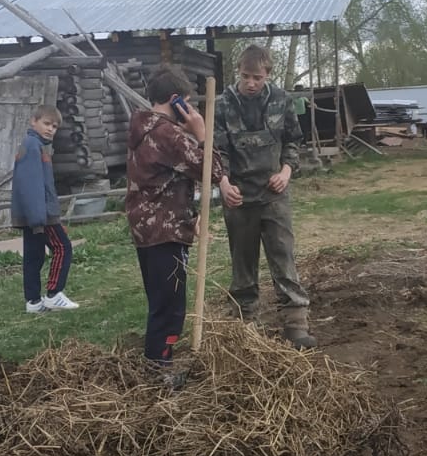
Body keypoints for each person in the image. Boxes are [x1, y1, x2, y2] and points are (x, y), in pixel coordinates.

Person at [125, 67, 224, 382]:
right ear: (176, 100)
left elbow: (163, 184)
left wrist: (190, 217)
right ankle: (159, 373)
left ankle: (156, 365)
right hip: (164, 232)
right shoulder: (168, 134)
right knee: (170, 307)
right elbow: (213, 169)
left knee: (160, 302)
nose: (192, 110)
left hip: (148, 227)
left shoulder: (142, 127)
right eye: (189, 103)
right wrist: (201, 132)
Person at [214, 43, 315, 350]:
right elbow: (218, 151)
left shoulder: (282, 101)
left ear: (267, 74)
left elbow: (293, 142)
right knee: (242, 262)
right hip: (239, 197)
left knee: (283, 256)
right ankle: (245, 325)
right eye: (245, 76)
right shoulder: (222, 105)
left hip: (274, 195)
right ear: (238, 73)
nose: (250, 83)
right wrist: (223, 182)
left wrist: (285, 172)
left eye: (257, 77)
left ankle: (295, 323)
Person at [10, 104, 79, 314]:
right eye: (46, 123)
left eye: (55, 126)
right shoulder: (33, 147)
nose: (50, 129)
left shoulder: (35, 145)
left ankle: (33, 301)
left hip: (32, 214)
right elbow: (31, 185)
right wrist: (39, 219)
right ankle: (54, 294)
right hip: (41, 214)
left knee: (34, 255)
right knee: (63, 248)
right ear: (34, 121)